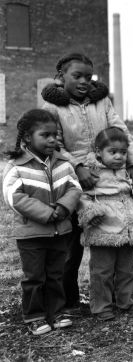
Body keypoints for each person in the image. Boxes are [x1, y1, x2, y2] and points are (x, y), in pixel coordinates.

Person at [41, 53, 133, 311]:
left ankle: (120, 297)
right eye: (77, 76)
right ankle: (67, 301)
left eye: (89, 76)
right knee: (70, 246)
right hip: (70, 181)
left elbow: (122, 133)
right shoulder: (52, 109)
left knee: (113, 238)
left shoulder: (102, 103)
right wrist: (77, 167)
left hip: (107, 180)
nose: (84, 81)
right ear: (61, 77)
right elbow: (52, 145)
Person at [2, 109, 82, 335]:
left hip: (60, 231)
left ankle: (56, 311)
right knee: (34, 277)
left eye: (55, 135)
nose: (53, 139)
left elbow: (75, 187)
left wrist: (63, 207)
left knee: (56, 274)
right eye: (45, 135)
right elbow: (12, 195)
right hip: (32, 234)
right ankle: (34, 315)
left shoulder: (63, 163)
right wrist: (46, 212)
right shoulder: (17, 165)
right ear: (28, 137)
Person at [76, 127, 133, 321]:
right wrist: (90, 212)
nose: (119, 156)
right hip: (103, 229)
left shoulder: (125, 172)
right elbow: (80, 195)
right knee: (102, 271)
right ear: (98, 152)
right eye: (113, 152)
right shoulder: (91, 172)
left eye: (123, 152)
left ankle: (125, 300)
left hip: (128, 229)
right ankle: (101, 306)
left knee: (127, 269)